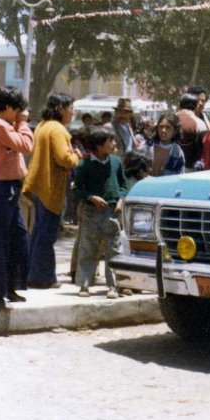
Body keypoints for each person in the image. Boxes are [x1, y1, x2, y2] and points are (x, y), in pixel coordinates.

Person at [23, 93, 81, 289]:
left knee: (38, 232)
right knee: (47, 235)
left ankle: (31, 273)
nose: (72, 112)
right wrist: (76, 156)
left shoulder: (42, 126)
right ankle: (43, 277)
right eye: (70, 108)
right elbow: (64, 158)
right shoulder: (57, 129)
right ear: (60, 109)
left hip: (38, 186)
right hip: (49, 188)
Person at [0, 87, 34, 308]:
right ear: (10, 108)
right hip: (3, 187)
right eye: (18, 110)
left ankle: (9, 286)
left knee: (17, 238)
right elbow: (26, 146)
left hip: (12, 187)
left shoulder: (5, 126)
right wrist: (23, 123)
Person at [73, 127, 128, 298]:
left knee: (114, 250)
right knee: (88, 248)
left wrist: (121, 200)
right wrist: (91, 197)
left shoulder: (116, 162)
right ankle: (84, 284)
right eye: (110, 141)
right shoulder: (84, 165)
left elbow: (123, 186)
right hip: (92, 213)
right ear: (98, 145)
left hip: (112, 212)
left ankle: (113, 286)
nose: (114, 144)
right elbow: (77, 190)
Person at [176, 93, 207, 172]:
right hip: (189, 168)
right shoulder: (199, 123)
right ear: (196, 106)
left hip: (167, 167)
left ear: (179, 105)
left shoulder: (169, 119)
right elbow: (206, 146)